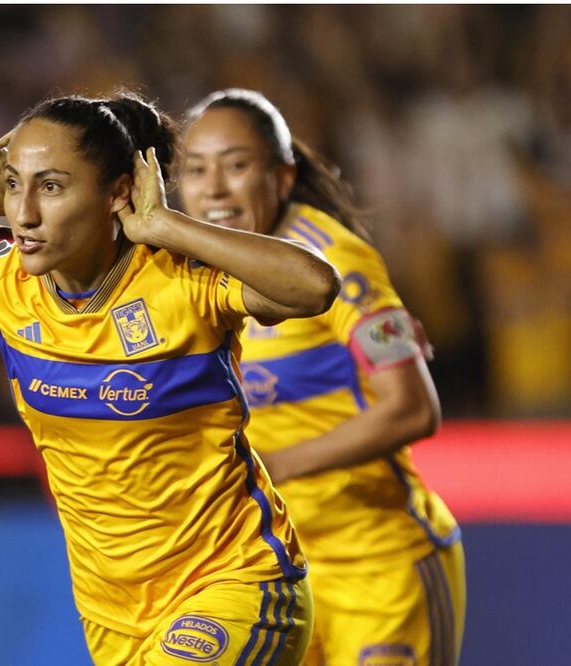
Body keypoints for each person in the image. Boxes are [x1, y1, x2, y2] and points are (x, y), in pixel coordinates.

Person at [0, 91, 341, 665]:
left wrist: (167, 226)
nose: (24, 211)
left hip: (236, 585)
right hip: (112, 616)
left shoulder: (182, 281)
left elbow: (313, 286)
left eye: (51, 186)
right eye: (13, 183)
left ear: (117, 193)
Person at [179, 88, 466, 666]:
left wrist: (275, 467)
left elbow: (413, 407)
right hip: (271, 573)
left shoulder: (337, 264)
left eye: (236, 166)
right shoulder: (182, 269)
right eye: (194, 169)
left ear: (282, 177)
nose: (213, 189)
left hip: (378, 570)